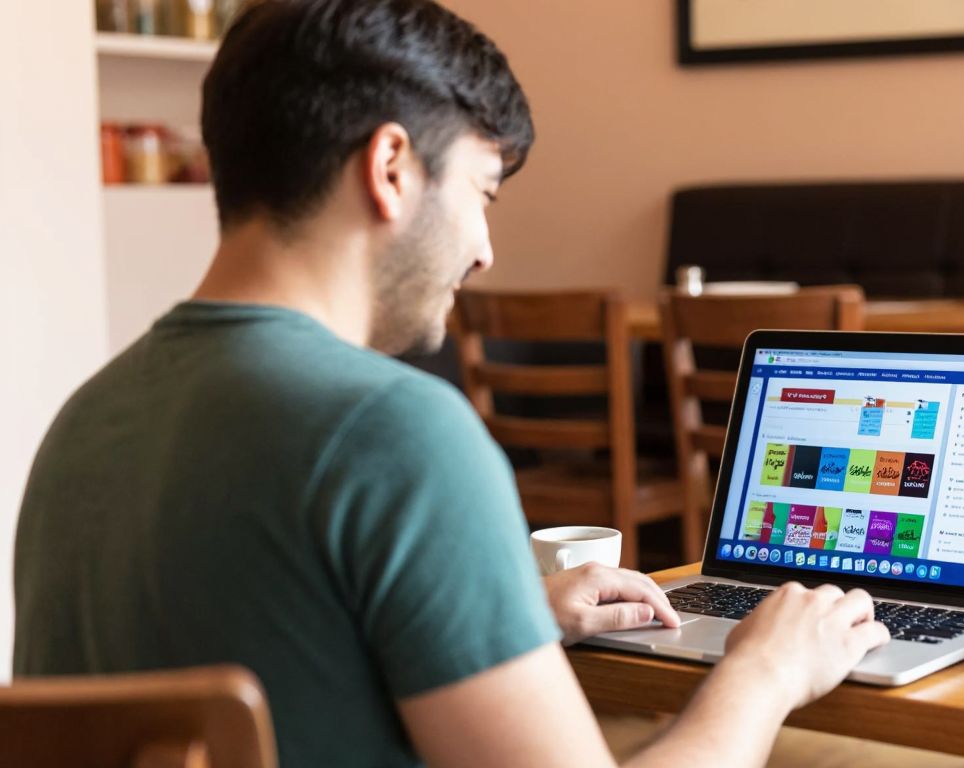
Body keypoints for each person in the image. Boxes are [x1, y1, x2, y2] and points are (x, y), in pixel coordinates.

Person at [12, 1, 889, 766]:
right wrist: (764, 672)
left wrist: (496, 617)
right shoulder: (394, 431)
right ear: (390, 168)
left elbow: (284, 659)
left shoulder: (84, 424)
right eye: (483, 192)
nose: (485, 248)